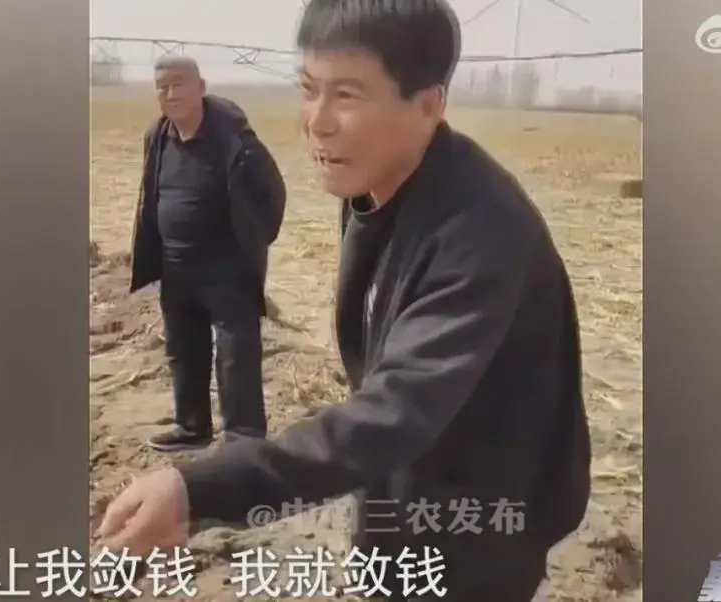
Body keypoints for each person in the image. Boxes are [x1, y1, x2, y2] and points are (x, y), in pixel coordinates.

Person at [101, 1, 591, 600]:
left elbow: (395, 409)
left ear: (429, 105)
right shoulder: (378, 182)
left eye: (348, 96)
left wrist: (196, 491)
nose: (317, 122)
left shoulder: (481, 232)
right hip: (405, 485)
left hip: (482, 520)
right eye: (309, 90)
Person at [128, 55, 286, 451]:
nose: (170, 93)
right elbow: (151, 193)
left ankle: (244, 438)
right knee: (183, 348)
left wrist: (254, 241)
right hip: (176, 264)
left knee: (236, 352)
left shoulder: (234, 139)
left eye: (178, 83)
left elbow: (272, 192)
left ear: (201, 86)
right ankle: (192, 427)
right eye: (162, 86)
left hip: (227, 267)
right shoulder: (158, 136)